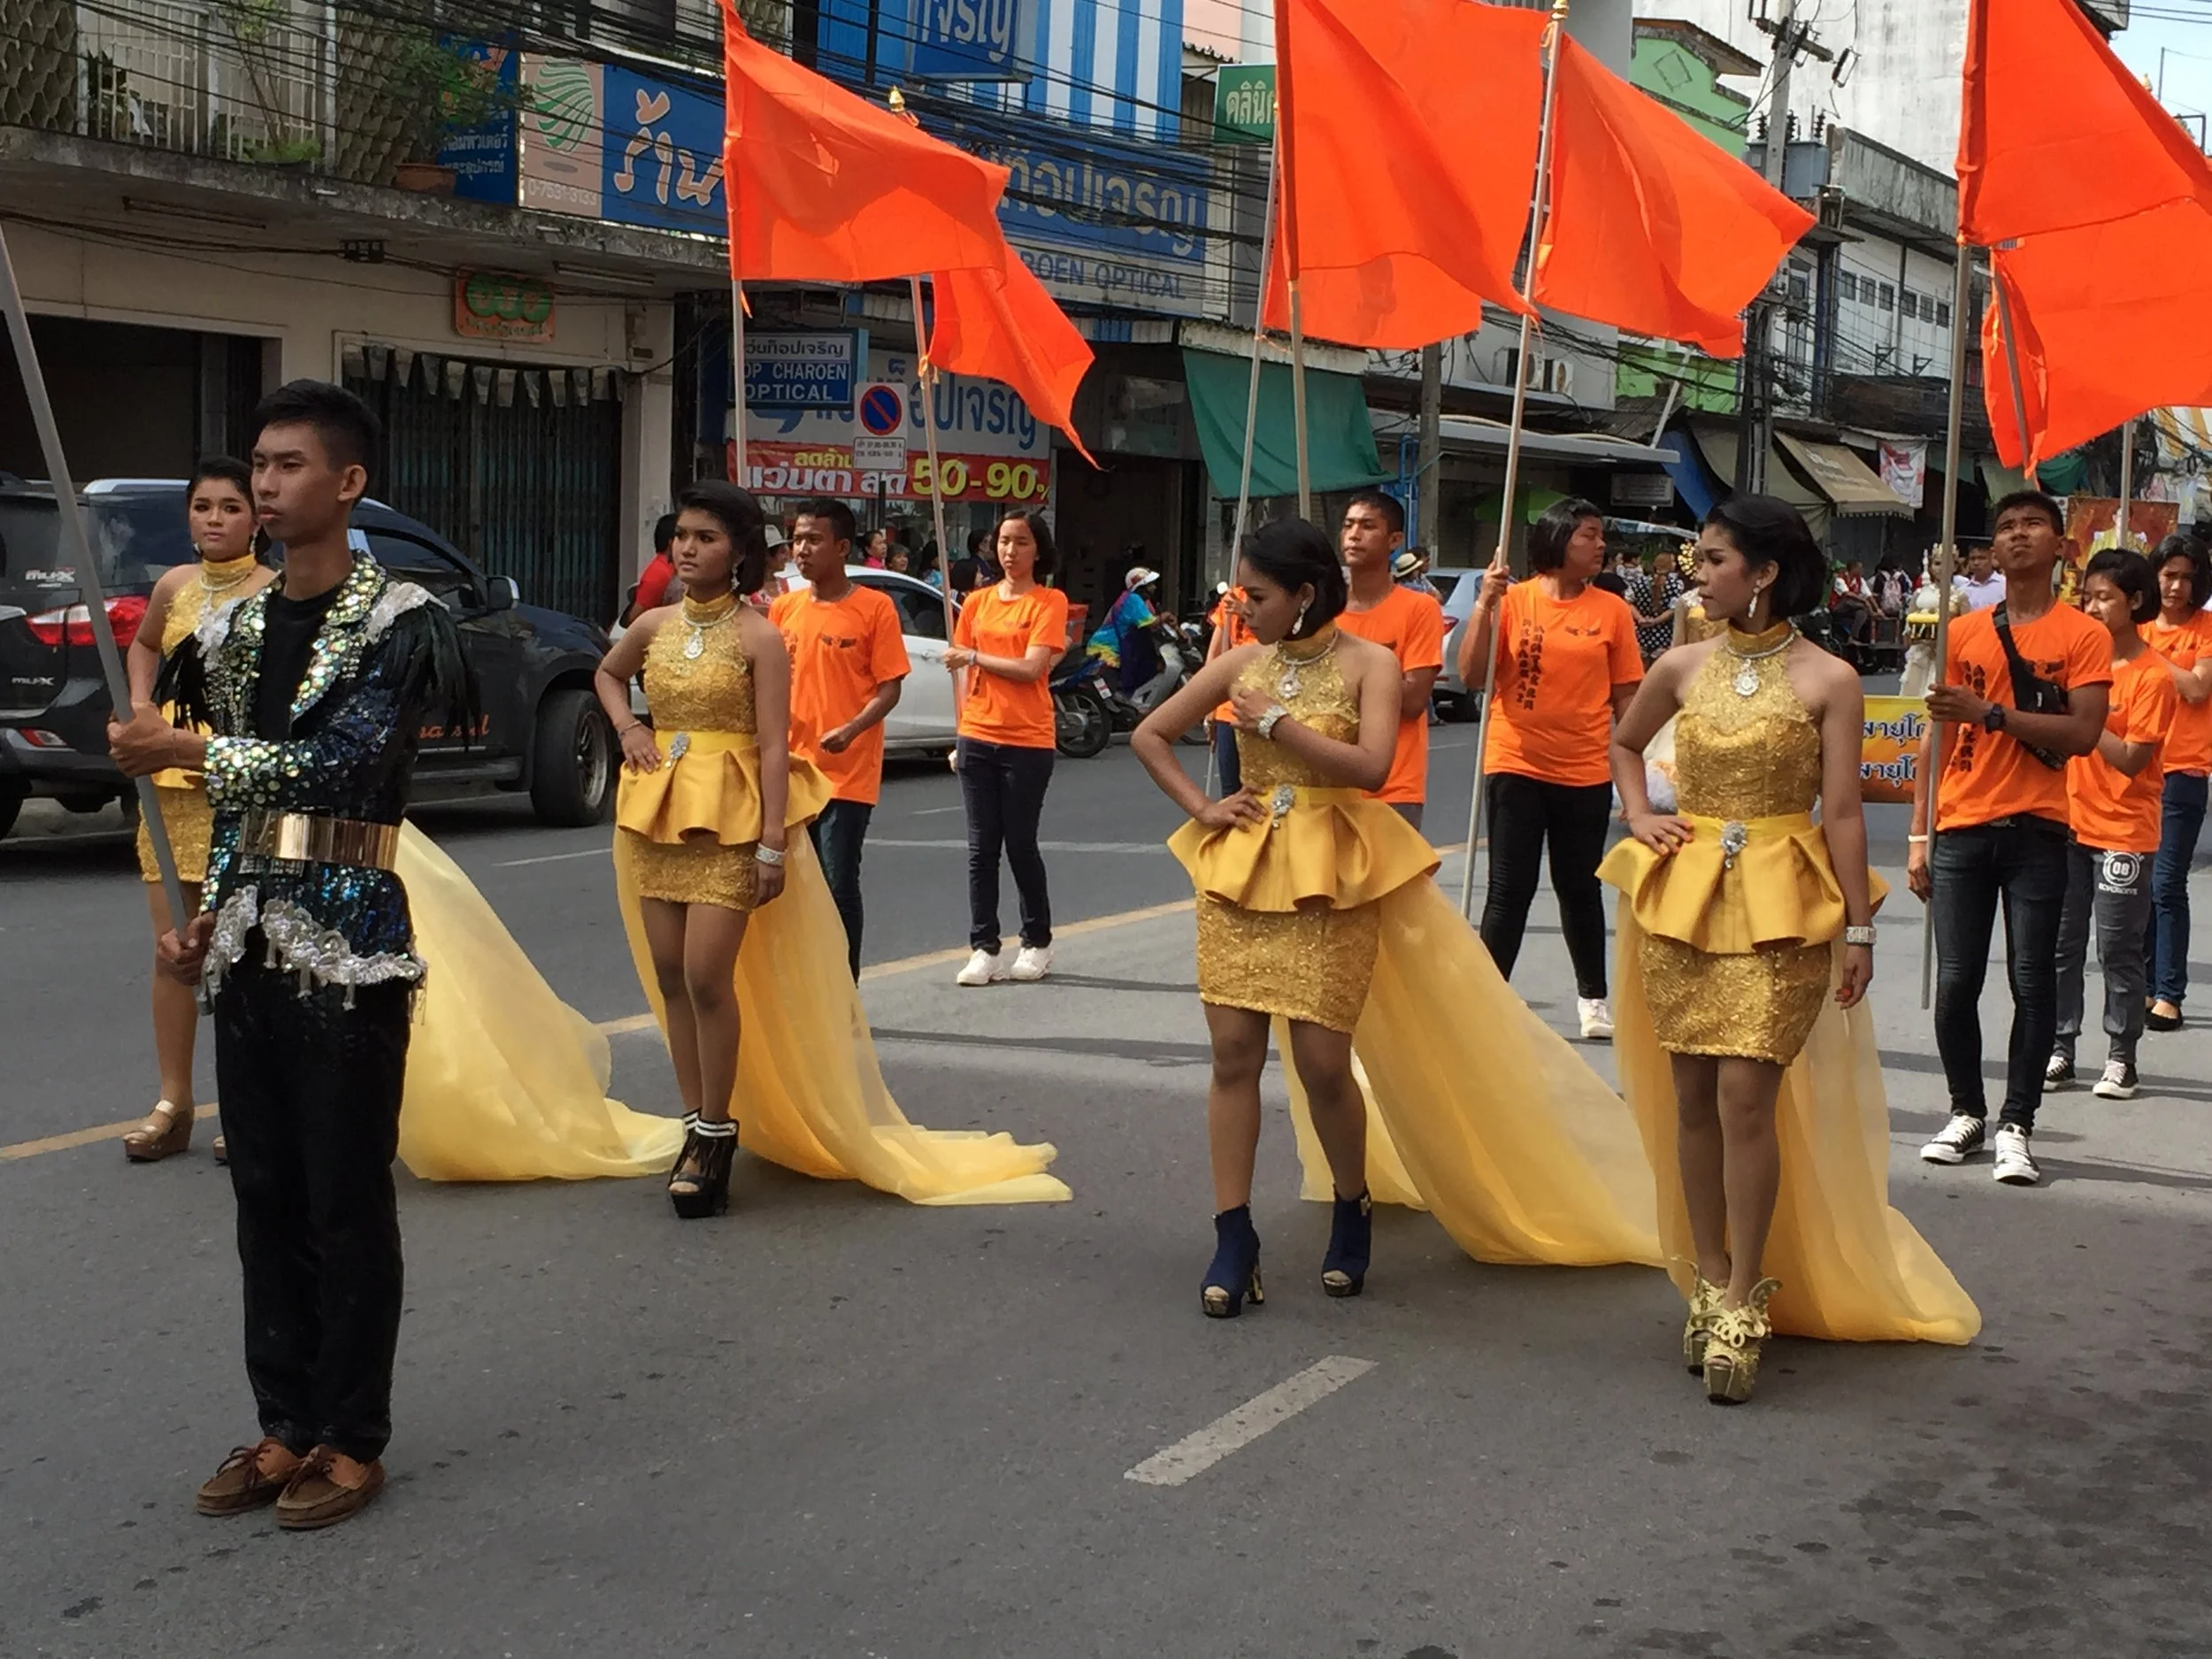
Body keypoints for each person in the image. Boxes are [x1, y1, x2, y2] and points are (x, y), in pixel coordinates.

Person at [1131, 518, 1663, 1317]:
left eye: (1258, 595)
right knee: (1233, 1055)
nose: (1243, 606)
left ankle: (1354, 1201)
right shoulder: (1239, 661)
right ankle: (1232, 1232)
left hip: (1334, 874)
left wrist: (1275, 722)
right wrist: (1204, 807)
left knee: (1322, 1061)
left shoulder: (1368, 663)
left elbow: (1374, 767)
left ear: (1304, 595)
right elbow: (1150, 734)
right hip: (1242, 873)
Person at [105, 380, 475, 1530]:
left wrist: (187, 750)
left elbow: (345, 766)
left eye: (289, 465)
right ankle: (284, 1420)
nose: (265, 485)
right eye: (258, 464)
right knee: (262, 1188)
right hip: (250, 936)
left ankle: (352, 1435)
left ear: (348, 482)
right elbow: (245, 815)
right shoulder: (233, 628)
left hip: (353, 939)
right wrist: (207, 915)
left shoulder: (403, 619)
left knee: (344, 1192)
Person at [595, 483, 1066, 1214]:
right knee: (670, 977)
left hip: (736, 815)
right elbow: (607, 672)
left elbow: (773, 746)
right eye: (682, 535)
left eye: (706, 537)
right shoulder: (653, 623)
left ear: (738, 552)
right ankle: (692, 1121)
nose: (687, 548)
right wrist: (629, 728)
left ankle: (716, 1132)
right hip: (656, 813)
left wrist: (771, 844)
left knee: (707, 975)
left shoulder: (758, 635)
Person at [1601, 495, 1978, 1405]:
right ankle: (1707, 1274)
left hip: (1783, 900)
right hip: (1684, 896)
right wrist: (1641, 815)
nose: (1697, 574)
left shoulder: (1831, 679)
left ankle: (1743, 1297)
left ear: (1764, 573)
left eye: (1714, 559)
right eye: (1699, 559)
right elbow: (1622, 743)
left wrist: (1859, 927)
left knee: (1745, 1096)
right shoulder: (1681, 664)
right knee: (1693, 1095)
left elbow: (1841, 811)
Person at [1912, 491, 2112, 1187]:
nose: (2018, 535)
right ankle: (1966, 1110)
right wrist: (1918, 835)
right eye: (2005, 527)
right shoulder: (1962, 632)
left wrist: (1992, 713)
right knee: (1956, 980)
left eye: (2032, 525)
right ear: (1992, 549)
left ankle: (2017, 1123)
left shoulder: (2083, 635)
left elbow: (2083, 732)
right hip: (1962, 825)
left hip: (2040, 827)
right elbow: (1937, 738)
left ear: (2061, 545)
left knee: (2032, 979)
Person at [119, 458, 276, 1165]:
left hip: (234, 789)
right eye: (203, 506)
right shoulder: (173, 585)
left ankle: (250, 1108)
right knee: (173, 952)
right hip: (167, 794)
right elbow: (144, 644)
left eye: (230, 507)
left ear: (257, 519)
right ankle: (173, 1101)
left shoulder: (275, 591)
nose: (215, 519)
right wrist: (142, 707)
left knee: (241, 955)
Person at [1459, 496, 1644, 1041]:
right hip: (1515, 760)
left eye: (1601, 535)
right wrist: (1483, 606)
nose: (1600, 545)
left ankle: (1593, 998)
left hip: (1584, 768)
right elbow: (1471, 675)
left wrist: (1636, 770)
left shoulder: (1611, 610)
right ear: (1559, 538)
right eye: (1589, 534)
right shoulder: (1512, 600)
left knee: (1579, 887)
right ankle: (1486, 998)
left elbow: (1627, 698)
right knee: (1508, 888)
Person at [2050, 550, 2176, 1102]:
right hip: (2067, 824)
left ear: (2136, 601)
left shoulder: (2153, 676)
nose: (2093, 608)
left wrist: (2087, 718)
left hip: (2124, 831)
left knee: (2118, 949)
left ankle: (2122, 1056)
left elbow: (2131, 759)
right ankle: (2060, 1047)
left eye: (2105, 598)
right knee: (2061, 946)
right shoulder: (2079, 668)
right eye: (2088, 597)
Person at [770, 497, 911, 979]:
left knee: (837, 883)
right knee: (791, 888)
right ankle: (803, 983)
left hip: (846, 777)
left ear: (843, 547)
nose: (801, 550)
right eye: (797, 540)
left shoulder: (875, 608)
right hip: (791, 771)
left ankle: (843, 986)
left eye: (814, 540)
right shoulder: (784, 608)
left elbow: (890, 688)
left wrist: (851, 729)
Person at [947, 510, 1068, 987]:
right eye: (1003, 541)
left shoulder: (1048, 601)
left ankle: (1037, 940)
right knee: (981, 849)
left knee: (1019, 843)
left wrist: (976, 655)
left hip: (1027, 738)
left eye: (1020, 542)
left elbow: (1032, 668)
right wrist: (960, 734)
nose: (1010, 551)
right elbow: (961, 675)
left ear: (1038, 549)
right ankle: (984, 947)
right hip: (978, 734)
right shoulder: (976, 602)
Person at [1335, 491, 1445, 831]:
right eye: (1348, 525)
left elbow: (1413, 701)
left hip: (1393, 788)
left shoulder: (1419, 609)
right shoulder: (1324, 612)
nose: (1354, 535)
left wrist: (1344, 671)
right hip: (1326, 788)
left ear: (1395, 540)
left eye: (1368, 526)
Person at [2139, 534, 2212, 1032]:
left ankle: (2169, 991)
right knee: (2136, 883)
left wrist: (2146, 657)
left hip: (2184, 769)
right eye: (2169, 575)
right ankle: (2145, 985)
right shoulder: (2138, 626)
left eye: (2187, 577)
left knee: (2167, 883)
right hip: (2134, 767)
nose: (2177, 586)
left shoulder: (2205, 628)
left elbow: (2197, 687)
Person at [1205, 580, 1255, 796]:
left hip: (1261, 703)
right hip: (1228, 706)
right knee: (1230, 791)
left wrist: (1246, 612)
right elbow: (1214, 656)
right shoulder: (1231, 597)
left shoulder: (1278, 595)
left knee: (1258, 789)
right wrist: (1209, 708)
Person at [1087, 565, 1167, 697]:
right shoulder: (1132, 599)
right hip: (1107, 650)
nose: (1154, 587)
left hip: (1122, 648)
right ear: (1141, 587)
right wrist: (1167, 616)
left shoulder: (1144, 601)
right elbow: (1151, 622)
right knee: (1112, 690)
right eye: (1150, 585)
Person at [1624, 548, 1685, 666]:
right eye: (1672, 561)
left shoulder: (1640, 582)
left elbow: (1628, 602)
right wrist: (1656, 621)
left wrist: (1640, 618)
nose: (1675, 564)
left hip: (1642, 633)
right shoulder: (1676, 585)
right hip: (1664, 634)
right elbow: (1673, 609)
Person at [621, 512, 680, 626]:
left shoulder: (671, 569)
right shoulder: (660, 574)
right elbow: (634, 618)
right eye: (682, 538)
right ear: (671, 542)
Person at [1829, 558, 1874, 647]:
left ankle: (1853, 637)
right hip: (1838, 607)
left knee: (1862, 613)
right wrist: (1864, 602)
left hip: (1852, 608)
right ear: (1853, 569)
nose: (1862, 570)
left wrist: (1878, 609)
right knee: (1849, 600)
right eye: (1859, 568)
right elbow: (1847, 594)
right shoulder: (1840, 579)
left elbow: (1869, 595)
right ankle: (1869, 611)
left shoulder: (1859, 580)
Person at [949, 526, 997, 596]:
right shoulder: (974, 566)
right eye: (991, 544)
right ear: (981, 546)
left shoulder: (985, 564)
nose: (995, 548)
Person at [1959, 543, 2006, 611]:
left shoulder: (2005, 585)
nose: (1976, 563)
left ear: (1991, 559)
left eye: (1981, 558)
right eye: (1972, 559)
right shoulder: (1962, 591)